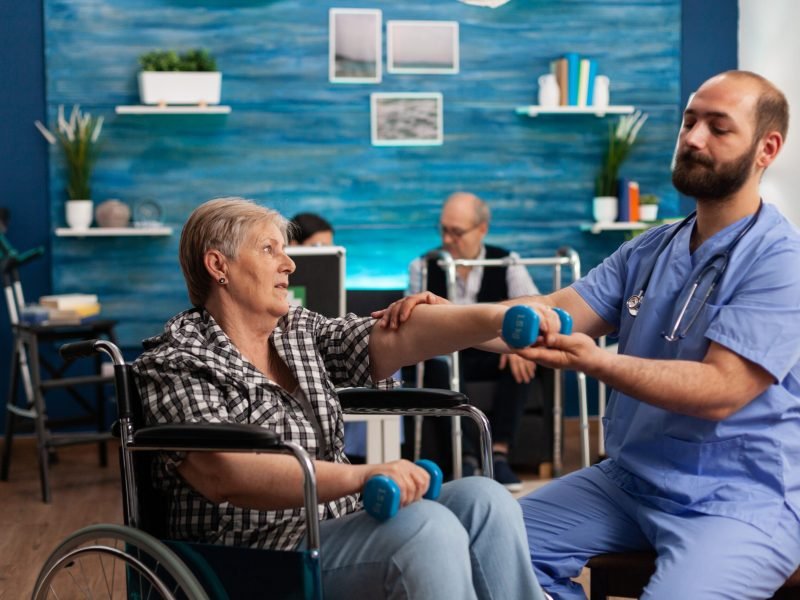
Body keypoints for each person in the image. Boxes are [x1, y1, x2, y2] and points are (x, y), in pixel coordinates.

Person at [377, 71, 800, 599]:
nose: (693, 138)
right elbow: (552, 312)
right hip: (629, 481)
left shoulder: (779, 259)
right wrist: (457, 314)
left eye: (719, 128)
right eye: (690, 121)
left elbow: (722, 390)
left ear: (767, 148)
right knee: (482, 545)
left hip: (736, 498)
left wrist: (595, 362)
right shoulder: (650, 249)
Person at [132, 197, 548, 600]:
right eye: (268, 249)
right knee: (426, 528)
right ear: (218, 265)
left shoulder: (296, 331)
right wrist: (363, 475)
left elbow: (391, 338)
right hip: (252, 557)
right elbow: (224, 473)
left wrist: (499, 319)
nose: (289, 263)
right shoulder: (178, 359)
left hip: (335, 524)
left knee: (487, 501)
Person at [407, 191, 544, 491]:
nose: (447, 239)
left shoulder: (507, 261)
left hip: (492, 350)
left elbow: (533, 306)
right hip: (447, 351)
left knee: (522, 357)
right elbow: (414, 321)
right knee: (438, 366)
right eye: (443, 229)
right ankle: (467, 456)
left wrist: (520, 346)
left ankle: (499, 455)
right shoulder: (424, 265)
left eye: (456, 231)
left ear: (482, 229)